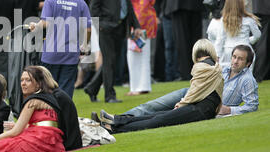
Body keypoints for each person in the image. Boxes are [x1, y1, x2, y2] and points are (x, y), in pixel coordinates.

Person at [94, 44, 258, 121]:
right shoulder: (222, 68)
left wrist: (229, 109)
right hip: (191, 93)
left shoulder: (247, 80)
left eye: (240, 59)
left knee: (158, 115)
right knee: (150, 106)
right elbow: (199, 77)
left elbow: (252, 107)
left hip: (203, 104)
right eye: (234, 57)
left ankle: (115, 122)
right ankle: (114, 118)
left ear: (248, 63)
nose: (235, 61)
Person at [96, 39, 223, 134]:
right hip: (203, 109)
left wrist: (181, 104)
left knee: (157, 119)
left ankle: (113, 126)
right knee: (157, 116)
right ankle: (116, 121)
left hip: (200, 110)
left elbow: (195, 92)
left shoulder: (201, 67)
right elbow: (203, 92)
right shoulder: (214, 67)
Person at [84, 0, 142, 103]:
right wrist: (101, 25)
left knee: (112, 60)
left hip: (120, 26)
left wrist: (135, 25)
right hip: (106, 27)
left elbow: (127, 5)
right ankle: (110, 95)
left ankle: (92, 88)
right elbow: (94, 8)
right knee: (109, 61)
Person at [29, 0, 91, 99]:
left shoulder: (51, 0)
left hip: (51, 53)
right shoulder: (81, 3)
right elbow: (88, 28)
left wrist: (36, 26)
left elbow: (46, 22)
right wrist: (85, 45)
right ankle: (64, 118)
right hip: (71, 53)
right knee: (66, 92)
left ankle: (49, 117)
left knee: (47, 90)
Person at [126, 0, 157, 95]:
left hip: (142, 23)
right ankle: (136, 86)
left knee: (141, 54)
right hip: (139, 22)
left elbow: (144, 5)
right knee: (134, 55)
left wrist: (137, 26)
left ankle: (142, 86)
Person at [214, 0, 261, 70]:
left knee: (229, 77)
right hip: (246, 49)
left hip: (229, 51)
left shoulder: (224, 20)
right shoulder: (249, 20)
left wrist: (217, 55)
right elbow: (258, 35)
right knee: (246, 76)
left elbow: (220, 40)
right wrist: (249, 40)